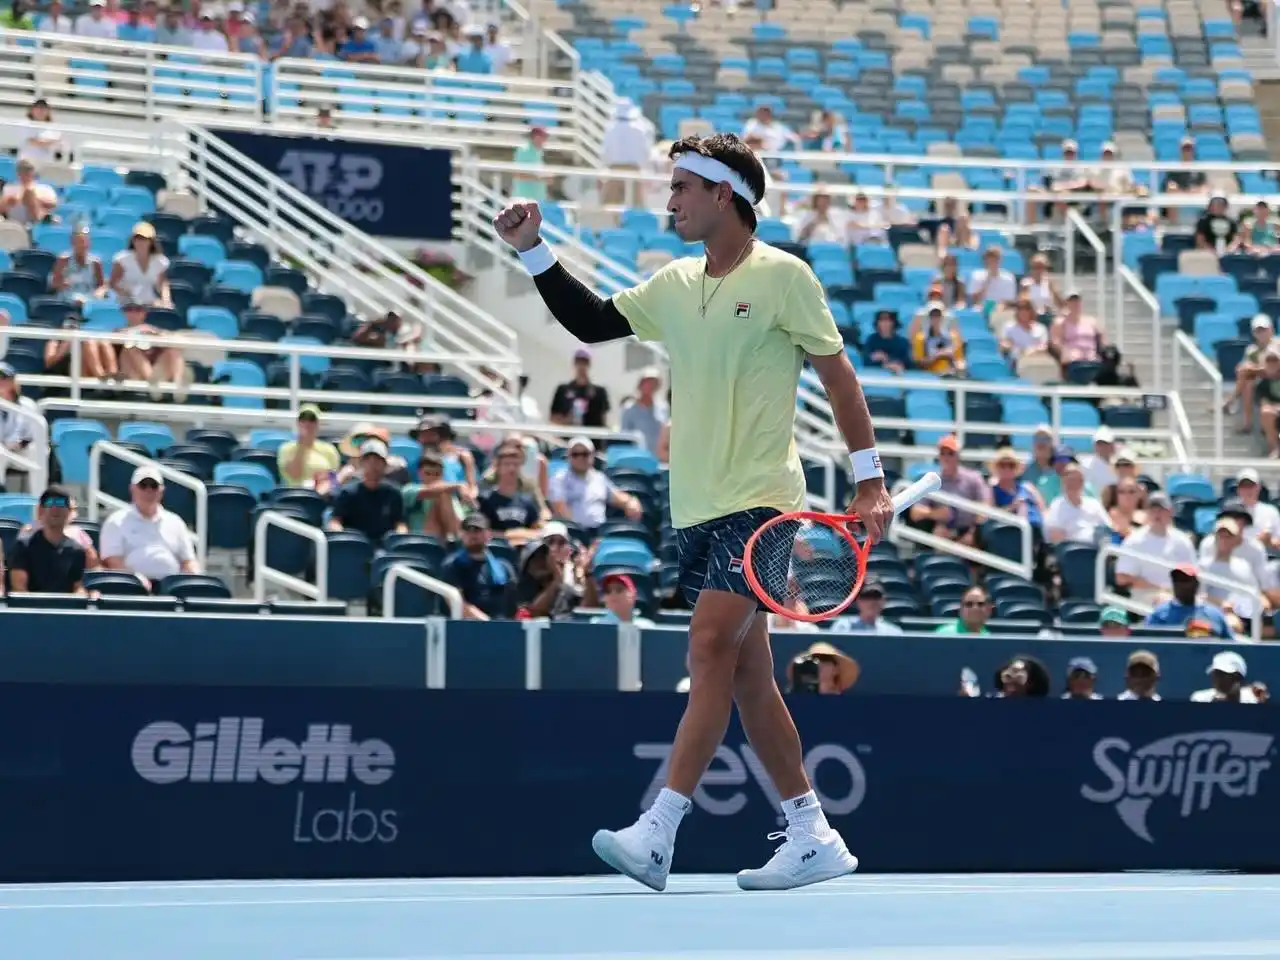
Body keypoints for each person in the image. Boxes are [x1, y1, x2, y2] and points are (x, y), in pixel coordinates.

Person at [492, 131, 893, 892]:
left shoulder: (786, 277)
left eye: (682, 186)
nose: (669, 199)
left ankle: (660, 828)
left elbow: (841, 381)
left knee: (708, 648)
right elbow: (592, 321)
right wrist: (533, 250)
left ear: (724, 195)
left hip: (765, 504)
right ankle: (812, 832)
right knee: (747, 675)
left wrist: (868, 480)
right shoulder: (674, 284)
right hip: (698, 507)